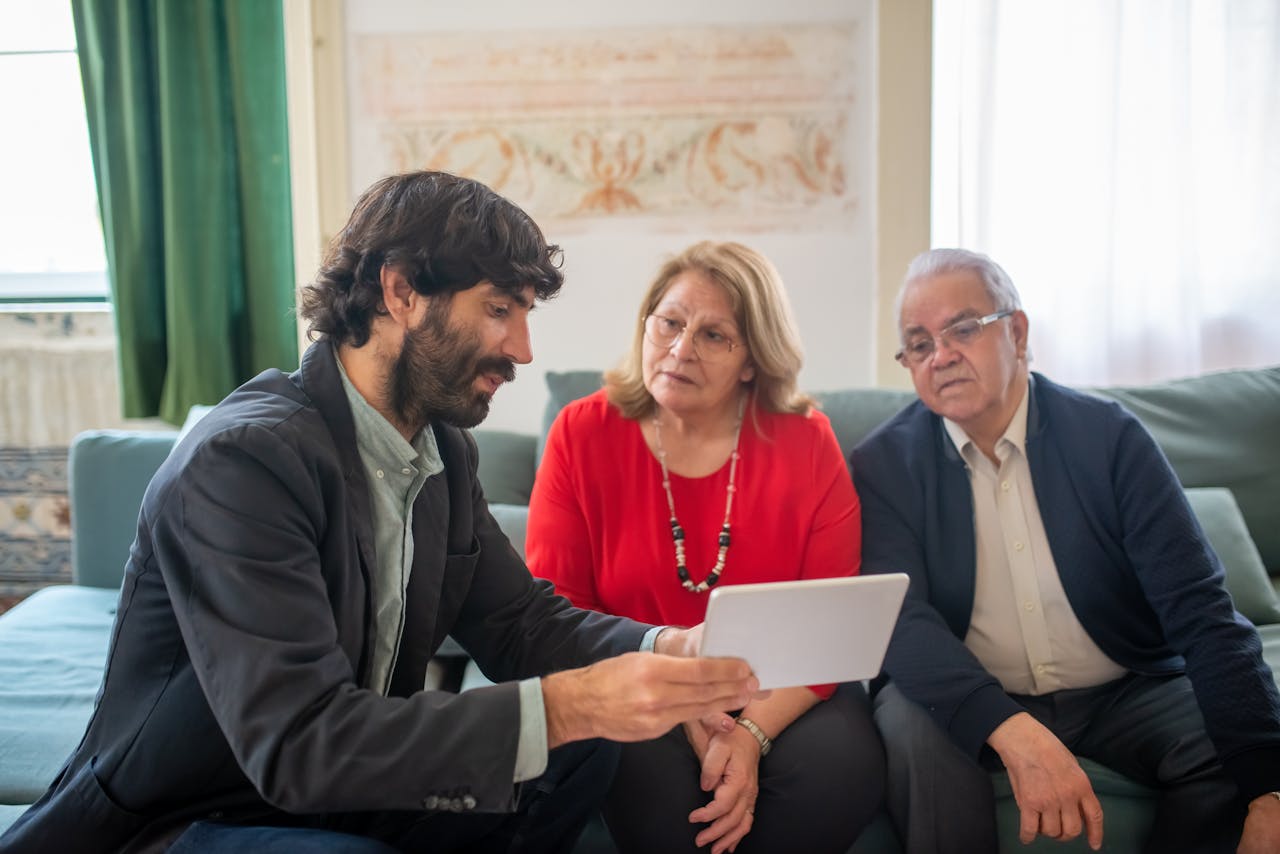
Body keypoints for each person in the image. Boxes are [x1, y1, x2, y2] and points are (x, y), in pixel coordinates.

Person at [0, 172, 764, 854]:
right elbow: (299, 744)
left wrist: (671, 648)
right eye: (499, 308)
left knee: (583, 750)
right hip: (189, 815)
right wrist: (566, 704)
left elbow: (521, 623)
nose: (523, 349)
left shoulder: (441, 452)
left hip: (338, 793)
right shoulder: (244, 462)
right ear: (400, 292)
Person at [850, 247, 1280, 854]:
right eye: (918, 344)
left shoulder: (1110, 438)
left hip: (1122, 687)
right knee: (910, 729)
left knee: (1225, 746)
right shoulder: (883, 465)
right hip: (970, 691)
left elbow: (1199, 607)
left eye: (963, 329)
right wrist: (1005, 724)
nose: (941, 355)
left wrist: (1270, 785)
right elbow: (901, 620)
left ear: (1017, 331)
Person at [525, 240, 886, 854]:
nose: (680, 348)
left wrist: (746, 737)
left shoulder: (806, 440)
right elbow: (559, 613)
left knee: (836, 775)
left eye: (715, 335)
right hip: (633, 680)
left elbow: (831, 628)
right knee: (663, 803)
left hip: (787, 689)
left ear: (752, 360)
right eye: (669, 322)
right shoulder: (582, 433)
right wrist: (685, 706)